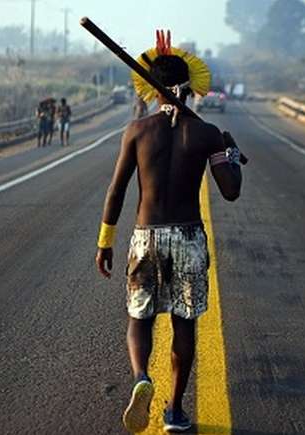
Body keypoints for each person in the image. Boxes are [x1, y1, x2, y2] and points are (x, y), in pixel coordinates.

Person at [95, 30, 243, 433]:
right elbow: (230, 191)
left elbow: (116, 190)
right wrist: (230, 154)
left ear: (152, 89)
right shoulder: (206, 133)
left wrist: (105, 241)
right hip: (189, 238)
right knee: (184, 322)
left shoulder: (137, 131)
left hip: (147, 237)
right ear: (190, 89)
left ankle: (142, 377)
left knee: (140, 319)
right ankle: (175, 412)